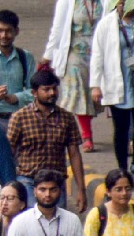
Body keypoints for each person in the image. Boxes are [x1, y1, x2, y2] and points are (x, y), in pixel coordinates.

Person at [44, 0, 104, 152]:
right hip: (74, 52)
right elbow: (58, 28)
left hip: (99, 52)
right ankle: (86, 136)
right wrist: (48, 56)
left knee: (97, 94)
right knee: (79, 93)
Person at [7, 70, 87, 211]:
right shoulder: (19, 117)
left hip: (57, 181)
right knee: (34, 222)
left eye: (54, 88)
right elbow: (9, 152)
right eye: (46, 89)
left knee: (57, 224)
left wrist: (81, 189)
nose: (52, 93)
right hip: (29, 181)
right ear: (34, 93)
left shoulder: (67, 118)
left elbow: (74, 154)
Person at [91, 0, 134, 169]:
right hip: (118, 82)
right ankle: (122, 168)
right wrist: (95, 85)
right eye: (122, 2)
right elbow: (97, 55)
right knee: (121, 129)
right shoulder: (106, 24)